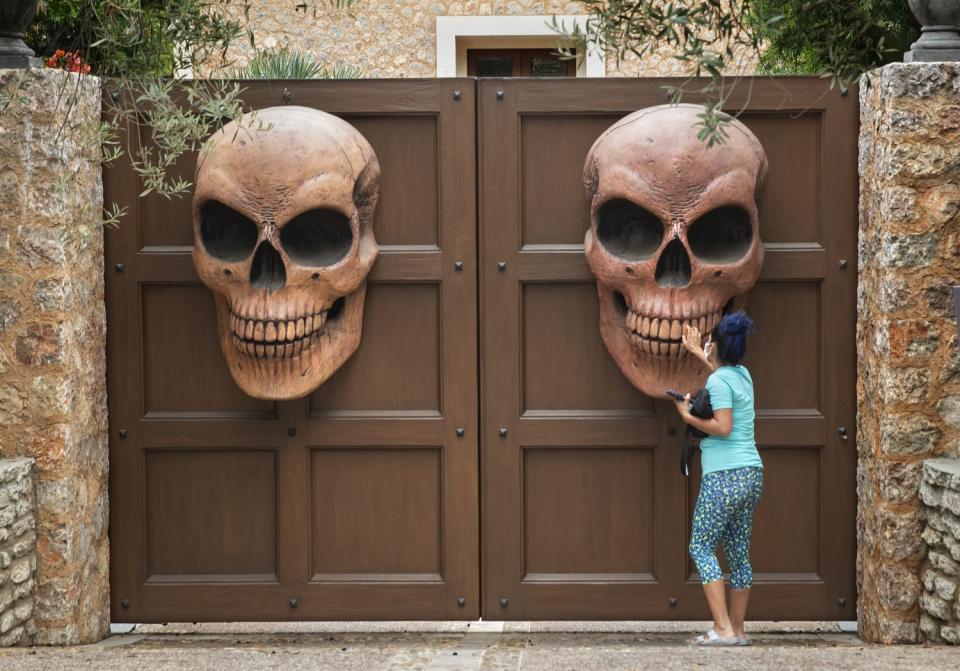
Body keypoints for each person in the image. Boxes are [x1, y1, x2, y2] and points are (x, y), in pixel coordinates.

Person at [673, 311, 763, 647]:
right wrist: (702, 356)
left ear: (717, 346)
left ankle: (722, 627)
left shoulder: (718, 382)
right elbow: (723, 383)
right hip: (751, 474)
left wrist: (686, 415)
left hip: (724, 475)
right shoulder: (743, 375)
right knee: (738, 552)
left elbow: (723, 427)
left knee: (701, 546)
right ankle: (738, 631)